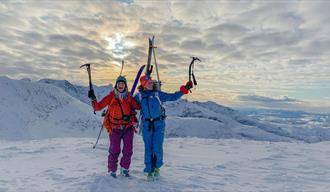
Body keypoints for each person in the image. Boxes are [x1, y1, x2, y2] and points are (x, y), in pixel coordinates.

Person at [134, 75, 192, 180]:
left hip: (159, 124)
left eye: (151, 82)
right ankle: (149, 170)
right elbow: (130, 104)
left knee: (157, 147)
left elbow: (173, 96)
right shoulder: (139, 96)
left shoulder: (158, 94)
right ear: (143, 85)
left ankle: (156, 168)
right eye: (148, 83)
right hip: (146, 125)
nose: (151, 84)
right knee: (148, 149)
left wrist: (184, 89)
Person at [88, 76, 140, 178]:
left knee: (128, 150)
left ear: (125, 86)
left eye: (123, 84)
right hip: (114, 128)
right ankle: (112, 170)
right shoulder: (111, 97)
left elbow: (138, 106)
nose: (121, 85)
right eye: (119, 83)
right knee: (114, 150)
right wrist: (93, 98)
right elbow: (97, 107)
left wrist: (143, 94)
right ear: (116, 85)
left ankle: (125, 169)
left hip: (128, 127)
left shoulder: (129, 97)